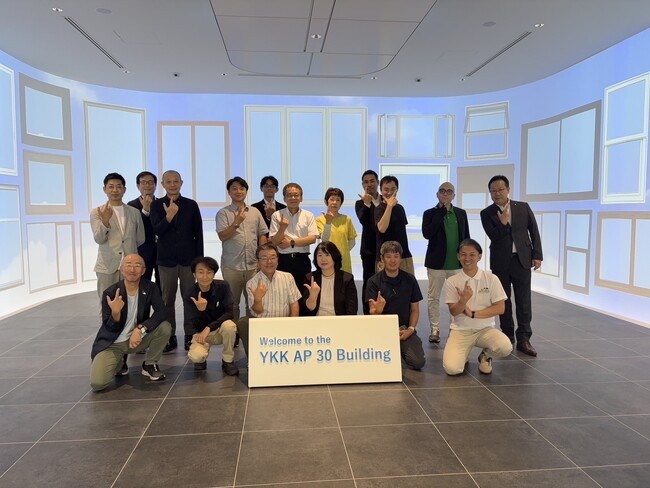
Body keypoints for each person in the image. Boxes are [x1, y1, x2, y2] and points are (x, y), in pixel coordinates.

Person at [480, 175, 543, 357]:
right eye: (493, 191)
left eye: (500, 190)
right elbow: (494, 236)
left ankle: (524, 338)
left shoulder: (522, 207)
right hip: (501, 262)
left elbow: (534, 230)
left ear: (508, 189)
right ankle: (507, 335)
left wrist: (537, 255)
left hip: (522, 259)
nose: (497, 193)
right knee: (503, 300)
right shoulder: (487, 213)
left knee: (524, 300)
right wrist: (503, 222)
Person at [90, 254, 171, 391]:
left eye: (137, 265)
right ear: (122, 270)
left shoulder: (150, 287)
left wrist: (141, 329)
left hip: (137, 339)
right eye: (128, 265)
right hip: (113, 344)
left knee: (165, 327)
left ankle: (150, 364)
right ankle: (120, 361)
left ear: (143, 271)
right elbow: (108, 327)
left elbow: (161, 312)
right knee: (98, 384)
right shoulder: (110, 293)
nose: (132, 269)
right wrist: (115, 313)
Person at [150, 170, 204, 352]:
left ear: (181, 183)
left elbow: (198, 234)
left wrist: (199, 262)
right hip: (166, 261)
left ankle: (190, 334)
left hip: (188, 261)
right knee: (167, 300)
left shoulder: (191, 205)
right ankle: (169, 335)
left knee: (190, 298)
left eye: (175, 181)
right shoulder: (156, 205)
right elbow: (156, 231)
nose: (172, 185)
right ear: (163, 184)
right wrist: (169, 216)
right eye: (168, 182)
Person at [443, 239, 513, 375]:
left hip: (485, 330)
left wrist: (473, 314)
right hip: (461, 331)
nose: (467, 258)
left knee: (505, 347)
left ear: (479, 257)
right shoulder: (452, 281)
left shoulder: (491, 278)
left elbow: (500, 308)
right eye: (463, 254)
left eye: (472, 255)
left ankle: (485, 356)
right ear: (458, 256)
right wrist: (463, 300)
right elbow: (454, 311)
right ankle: (464, 354)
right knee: (452, 369)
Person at [422, 182, 470, 344]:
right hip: (436, 264)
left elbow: (466, 237)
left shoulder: (461, 213)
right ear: (437, 194)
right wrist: (441, 211)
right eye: (442, 191)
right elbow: (427, 233)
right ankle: (434, 329)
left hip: (456, 265)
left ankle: (454, 328)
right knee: (433, 298)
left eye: (449, 191)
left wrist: (467, 259)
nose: (445, 194)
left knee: (457, 299)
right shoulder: (429, 213)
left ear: (453, 196)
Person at [366, 241, 425, 370]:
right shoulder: (373, 281)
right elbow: (372, 312)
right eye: (388, 256)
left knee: (418, 362)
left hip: (404, 329)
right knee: (382, 364)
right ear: (382, 259)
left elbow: (415, 310)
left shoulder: (410, 279)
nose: (392, 260)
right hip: (382, 329)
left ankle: (403, 347)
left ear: (400, 258)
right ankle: (395, 350)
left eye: (396, 256)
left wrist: (410, 329)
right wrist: (378, 310)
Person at [216, 176, 268, 321]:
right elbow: (222, 236)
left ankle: (250, 331)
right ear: (229, 192)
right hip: (232, 266)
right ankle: (234, 332)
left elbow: (262, 235)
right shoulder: (223, 213)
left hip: (253, 266)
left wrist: (261, 259)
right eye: (234, 189)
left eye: (242, 188)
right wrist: (236, 222)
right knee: (232, 304)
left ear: (246, 191)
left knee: (253, 301)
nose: (238, 191)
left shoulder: (255, 212)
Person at [237, 243, 301, 356]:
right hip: (262, 324)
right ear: (258, 262)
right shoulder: (252, 283)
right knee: (243, 322)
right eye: (264, 258)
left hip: (284, 322)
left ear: (277, 260)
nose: (269, 261)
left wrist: (292, 323)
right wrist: (257, 299)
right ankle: (254, 359)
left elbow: (294, 304)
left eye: (272, 257)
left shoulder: (288, 277)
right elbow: (257, 311)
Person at [90, 172, 145, 300]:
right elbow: (99, 239)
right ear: (104, 189)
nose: (115, 190)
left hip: (130, 267)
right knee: (107, 303)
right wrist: (105, 221)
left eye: (119, 186)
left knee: (130, 301)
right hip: (107, 265)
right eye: (111, 186)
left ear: (124, 190)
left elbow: (140, 238)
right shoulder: (97, 212)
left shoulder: (134, 212)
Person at [184, 256, 239, 375]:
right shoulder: (190, 294)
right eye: (200, 272)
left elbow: (230, 312)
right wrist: (201, 311)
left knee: (230, 326)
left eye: (209, 272)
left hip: (220, 330)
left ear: (214, 274)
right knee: (196, 356)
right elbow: (194, 325)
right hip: (201, 334)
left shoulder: (223, 286)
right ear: (194, 274)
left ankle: (228, 360)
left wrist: (209, 328)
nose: (205, 276)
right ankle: (202, 358)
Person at [269, 182, 318, 289]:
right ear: (284, 198)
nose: (293, 198)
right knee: (283, 292)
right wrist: (282, 228)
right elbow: (275, 242)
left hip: (302, 260)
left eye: (296, 195)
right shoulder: (277, 215)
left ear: (301, 198)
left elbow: (312, 238)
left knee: (303, 292)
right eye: (289, 195)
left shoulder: (308, 215)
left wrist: (290, 242)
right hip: (283, 261)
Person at [302, 241, 358, 316]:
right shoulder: (310, 278)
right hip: (316, 321)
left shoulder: (346, 278)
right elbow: (307, 311)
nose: (323, 259)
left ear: (335, 256)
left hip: (340, 321)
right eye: (320, 255)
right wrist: (312, 297)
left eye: (327, 255)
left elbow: (352, 309)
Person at [374, 175, 414, 275]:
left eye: (393, 189)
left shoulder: (400, 208)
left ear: (397, 190)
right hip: (385, 257)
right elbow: (382, 228)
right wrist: (389, 206)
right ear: (381, 190)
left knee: (408, 284)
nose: (389, 193)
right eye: (386, 189)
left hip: (404, 256)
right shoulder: (379, 209)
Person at [355, 170, 381, 314]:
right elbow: (364, 221)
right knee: (369, 282)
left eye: (372, 181)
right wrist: (367, 204)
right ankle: (367, 314)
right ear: (362, 185)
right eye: (366, 182)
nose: (369, 184)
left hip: (385, 250)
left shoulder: (386, 201)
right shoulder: (360, 203)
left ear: (377, 182)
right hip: (369, 251)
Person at [315, 187, 358, 274]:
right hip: (326, 260)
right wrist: (328, 222)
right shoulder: (319, 220)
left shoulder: (346, 219)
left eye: (338, 200)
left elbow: (352, 241)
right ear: (326, 201)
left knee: (345, 281)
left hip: (343, 261)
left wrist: (342, 252)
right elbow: (324, 240)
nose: (335, 202)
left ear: (341, 203)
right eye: (332, 199)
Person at [127, 171, 159, 285]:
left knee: (162, 284)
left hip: (162, 251)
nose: (147, 185)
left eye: (150, 182)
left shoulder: (162, 203)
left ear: (155, 185)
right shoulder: (131, 205)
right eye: (144, 182)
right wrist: (145, 210)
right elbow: (134, 229)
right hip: (143, 251)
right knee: (143, 283)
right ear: (138, 186)